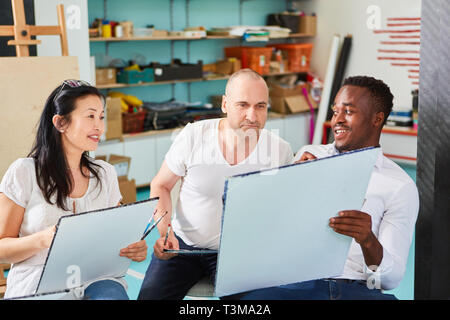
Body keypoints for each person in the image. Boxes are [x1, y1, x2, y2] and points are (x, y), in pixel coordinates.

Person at [236, 75, 419, 300]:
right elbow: (269, 231)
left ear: (377, 119)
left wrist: (367, 239)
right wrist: (288, 186)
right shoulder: (309, 156)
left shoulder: (399, 186)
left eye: (349, 112)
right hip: (293, 283)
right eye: (335, 112)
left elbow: (389, 280)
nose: (337, 120)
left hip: (354, 288)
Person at [137, 69, 294, 300]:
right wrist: (165, 231)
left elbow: (286, 207)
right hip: (183, 246)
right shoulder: (193, 136)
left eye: (260, 106)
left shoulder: (279, 150)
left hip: (238, 253)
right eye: (243, 105)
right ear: (224, 104)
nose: (252, 115)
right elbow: (161, 185)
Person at [0, 80, 148, 300]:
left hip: (96, 278)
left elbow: (117, 236)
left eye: (101, 117)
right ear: (61, 123)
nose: (100, 126)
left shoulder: (105, 173)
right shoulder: (24, 172)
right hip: (39, 283)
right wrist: (43, 240)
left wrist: (136, 248)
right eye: (90, 116)